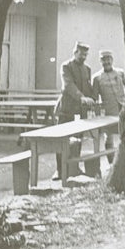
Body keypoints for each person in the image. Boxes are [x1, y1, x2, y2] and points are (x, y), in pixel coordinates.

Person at [52, 42, 95, 180]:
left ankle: (74, 168)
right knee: (62, 140)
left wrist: (93, 99)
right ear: (75, 52)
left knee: (77, 140)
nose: (83, 56)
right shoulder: (66, 66)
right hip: (66, 110)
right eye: (81, 53)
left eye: (85, 54)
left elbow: (88, 87)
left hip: (79, 112)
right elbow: (68, 85)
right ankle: (59, 170)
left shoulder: (87, 69)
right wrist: (81, 97)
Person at [91, 50, 125, 162]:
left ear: (112, 60)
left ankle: (124, 160)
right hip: (108, 111)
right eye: (104, 59)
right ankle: (111, 162)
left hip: (123, 108)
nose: (106, 62)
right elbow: (95, 98)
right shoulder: (97, 77)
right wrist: (97, 115)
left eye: (108, 59)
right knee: (109, 137)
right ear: (100, 61)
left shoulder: (120, 73)